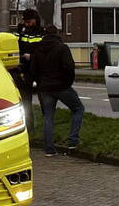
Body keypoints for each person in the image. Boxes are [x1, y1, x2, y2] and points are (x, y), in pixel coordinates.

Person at [29, 25, 84, 156]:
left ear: (44, 34)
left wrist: (40, 83)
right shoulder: (62, 48)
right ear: (57, 33)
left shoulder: (38, 49)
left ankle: (49, 149)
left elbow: (33, 70)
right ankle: (72, 141)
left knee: (48, 116)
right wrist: (67, 82)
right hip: (61, 86)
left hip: (45, 88)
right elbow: (70, 67)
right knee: (78, 109)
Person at [15, 9, 44, 113]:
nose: (27, 24)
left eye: (29, 21)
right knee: (25, 98)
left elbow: (43, 51)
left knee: (43, 98)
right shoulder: (21, 31)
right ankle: (28, 123)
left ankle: (46, 120)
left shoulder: (40, 32)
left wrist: (31, 56)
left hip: (38, 68)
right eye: (25, 21)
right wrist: (19, 29)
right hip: (25, 69)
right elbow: (15, 44)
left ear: (35, 20)